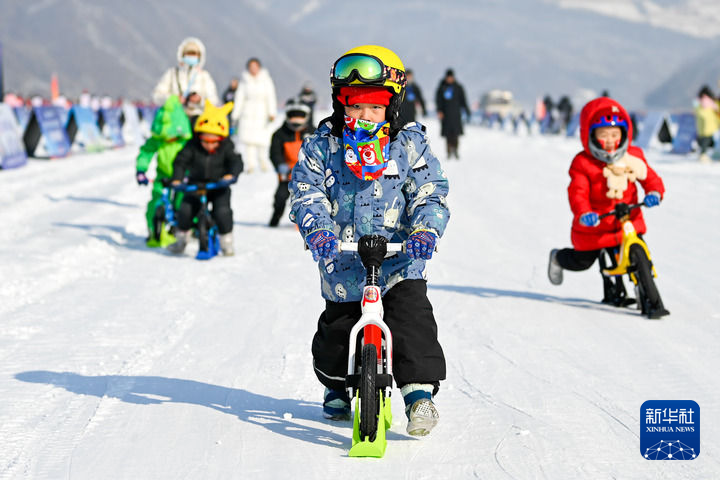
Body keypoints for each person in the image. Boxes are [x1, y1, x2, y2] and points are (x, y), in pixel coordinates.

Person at [289, 45, 450, 436]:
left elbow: (430, 191)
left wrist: (425, 230)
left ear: (391, 109)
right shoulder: (323, 145)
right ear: (340, 106)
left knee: (412, 324)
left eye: (375, 108)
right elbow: (306, 191)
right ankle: (337, 387)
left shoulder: (409, 145)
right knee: (336, 334)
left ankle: (418, 397)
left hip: (398, 261)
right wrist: (319, 231)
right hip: (342, 262)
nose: (364, 116)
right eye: (355, 107)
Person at [547, 97, 668, 317]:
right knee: (582, 261)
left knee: (641, 252)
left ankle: (644, 289)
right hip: (596, 224)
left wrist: (654, 193)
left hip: (627, 219)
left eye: (615, 134)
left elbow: (650, 178)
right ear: (590, 135)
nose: (611, 141)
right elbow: (578, 192)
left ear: (625, 133)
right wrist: (584, 213)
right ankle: (558, 258)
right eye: (603, 135)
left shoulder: (634, 156)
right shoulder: (583, 163)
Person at [169, 100, 243, 256]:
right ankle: (181, 239)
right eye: (205, 140)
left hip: (218, 185)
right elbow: (180, 162)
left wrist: (231, 175)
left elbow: (235, 161)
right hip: (195, 185)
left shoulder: (227, 147)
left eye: (213, 141)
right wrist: (177, 178)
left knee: (223, 212)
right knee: (185, 210)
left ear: (221, 139)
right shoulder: (192, 145)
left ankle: (226, 241)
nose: (209, 145)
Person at [135, 95, 193, 246]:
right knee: (156, 201)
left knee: (184, 203)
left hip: (183, 178)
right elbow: (146, 152)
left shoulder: (186, 141)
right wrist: (141, 170)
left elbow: (195, 157)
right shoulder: (158, 140)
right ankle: (154, 232)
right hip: (162, 177)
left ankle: (182, 230)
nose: (168, 140)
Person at [152, 37, 220, 122]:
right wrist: (174, 99)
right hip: (174, 117)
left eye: (194, 54)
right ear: (182, 55)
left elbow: (214, 101)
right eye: (189, 54)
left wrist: (199, 100)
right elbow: (157, 96)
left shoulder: (204, 76)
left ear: (200, 56)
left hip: (198, 118)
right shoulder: (172, 74)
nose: (191, 56)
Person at [268, 99, 312, 227]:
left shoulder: (314, 132)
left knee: (309, 199)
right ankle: (274, 220)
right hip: (288, 173)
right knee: (280, 198)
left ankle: (307, 224)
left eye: (300, 116)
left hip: (308, 173)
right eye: (293, 116)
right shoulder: (279, 134)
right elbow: (274, 153)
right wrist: (280, 164)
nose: (296, 120)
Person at [231, 57, 278, 173]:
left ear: (259, 67)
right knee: (249, 142)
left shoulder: (266, 80)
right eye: (251, 67)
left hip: (262, 113)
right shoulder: (244, 81)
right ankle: (250, 165)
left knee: (262, 141)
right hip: (248, 113)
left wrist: (272, 112)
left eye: (255, 66)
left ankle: (263, 163)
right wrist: (235, 114)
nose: (253, 69)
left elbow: (271, 97)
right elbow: (239, 98)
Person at [435, 69, 469, 159]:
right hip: (446, 115)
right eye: (448, 77)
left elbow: (463, 100)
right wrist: (439, 110)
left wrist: (467, 110)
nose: (449, 79)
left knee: (456, 134)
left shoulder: (458, 87)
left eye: (451, 77)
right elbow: (438, 101)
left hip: (456, 115)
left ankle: (456, 150)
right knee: (448, 135)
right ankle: (449, 151)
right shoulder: (442, 87)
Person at [694, 85, 719, 164]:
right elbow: (716, 108)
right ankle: (703, 155)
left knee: (705, 140)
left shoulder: (698, 101)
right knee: (707, 140)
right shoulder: (709, 101)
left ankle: (703, 154)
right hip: (709, 124)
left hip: (702, 125)